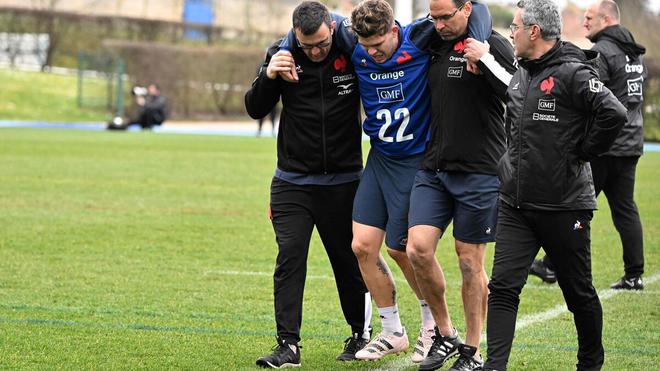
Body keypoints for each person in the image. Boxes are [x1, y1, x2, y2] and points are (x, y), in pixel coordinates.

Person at [279, 0, 490, 362]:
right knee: (361, 246)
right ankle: (393, 330)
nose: (372, 53)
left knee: (402, 249)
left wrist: (481, 41)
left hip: (415, 161)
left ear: (394, 31)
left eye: (379, 45)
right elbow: (305, 28)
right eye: (366, 47)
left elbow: (478, 9)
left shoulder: (418, 37)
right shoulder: (352, 41)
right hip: (379, 158)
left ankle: (434, 328)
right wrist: (285, 49)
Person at [483, 1, 627, 370]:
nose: (509, 33)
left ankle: (589, 364)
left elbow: (614, 113)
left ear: (534, 31)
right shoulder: (521, 71)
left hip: (564, 205)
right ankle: (493, 366)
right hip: (516, 203)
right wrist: (507, 166)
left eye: (514, 27)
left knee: (578, 292)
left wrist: (582, 151)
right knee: (502, 288)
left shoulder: (574, 72)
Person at [244, 2, 372, 368]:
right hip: (292, 182)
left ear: (331, 27)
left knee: (347, 261)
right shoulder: (281, 54)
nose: (315, 51)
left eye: (320, 43)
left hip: (345, 181)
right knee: (290, 257)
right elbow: (254, 108)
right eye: (307, 45)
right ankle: (288, 345)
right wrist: (269, 76)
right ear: (295, 35)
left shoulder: (352, 48)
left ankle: (359, 333)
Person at [405, 0, 516, 370]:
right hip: (434, 169)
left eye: (445, 16)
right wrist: (436, 24)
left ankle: (472, 350)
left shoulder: (494, 45)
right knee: (417, 249)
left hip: (480, 172)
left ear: (466, 8)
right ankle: (446, 333)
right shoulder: (433, 42)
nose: (437, 24)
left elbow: (515, 94)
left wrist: (482, 56)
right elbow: (409, 32)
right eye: (433, 17)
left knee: (470, 263)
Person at [529, 0, 647, 291]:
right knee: (624, 208)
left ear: (606, 20)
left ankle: (555, 264)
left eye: (590, 18)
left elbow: (591, 99)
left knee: (576, 207)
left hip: (606, 145)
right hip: (631, 142)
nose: (585, 23)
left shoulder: (604, 52)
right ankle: (634, 274)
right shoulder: (632, 51)